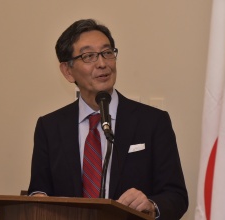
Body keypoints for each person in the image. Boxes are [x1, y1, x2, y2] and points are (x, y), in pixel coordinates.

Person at [28, 18, 188, 219]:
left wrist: (151, 205)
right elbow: (38, 189)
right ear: (68, 71)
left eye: (107, 53)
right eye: (89, 56)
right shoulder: (50, 127)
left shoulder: (153, 122)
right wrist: (39, 200)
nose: (102, 63)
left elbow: (177, 196)